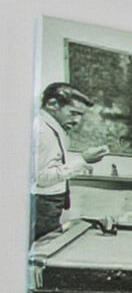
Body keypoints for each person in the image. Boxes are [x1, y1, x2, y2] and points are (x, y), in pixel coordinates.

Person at [29, 83, 93, 242]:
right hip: (42, 208)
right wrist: (83, 160)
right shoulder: (43, 132)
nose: (77, 121)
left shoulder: (50, 128)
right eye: (73, 113)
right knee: (44, 251)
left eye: (80, 115)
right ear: (52, 104)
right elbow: (42, 178)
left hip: (44, 208)